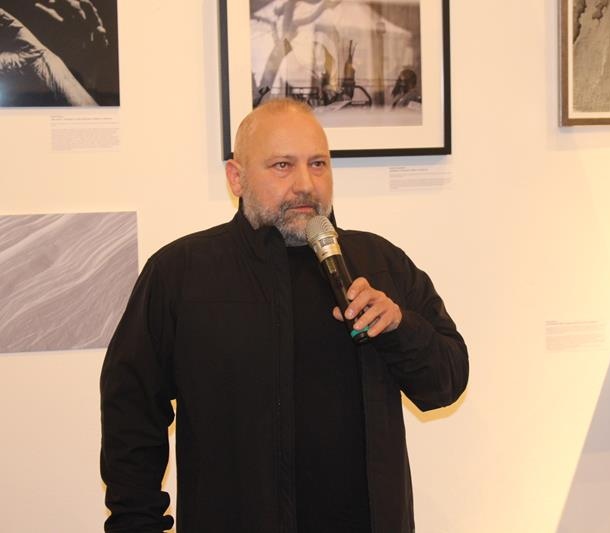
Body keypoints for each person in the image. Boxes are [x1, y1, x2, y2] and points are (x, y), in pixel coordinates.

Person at [100, 98, 469, 532]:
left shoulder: (379, 263)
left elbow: (446, 381)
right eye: (282, 166)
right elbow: (132, 411)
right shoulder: (181, 273)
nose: (305, 184)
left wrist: (401, 327)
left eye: (318, 164)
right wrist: (136, 523)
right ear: (236, 177)